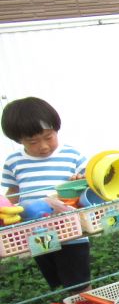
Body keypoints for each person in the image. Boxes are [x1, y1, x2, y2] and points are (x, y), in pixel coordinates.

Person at [2, 97, 90, 289]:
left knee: (80, 284)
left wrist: (80, 183)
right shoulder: (13, 162)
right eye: (32, 141)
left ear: (56, 130)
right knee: (59, 281)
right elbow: (12, 195)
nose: (43, 146)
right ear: (18, 139)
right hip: (35, 233)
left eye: (49, 137)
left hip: (71, 231)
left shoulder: (72, 155)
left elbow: (89, 191)